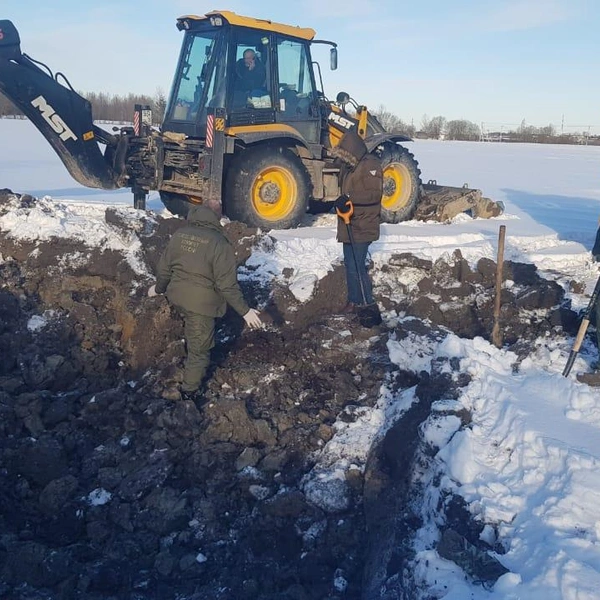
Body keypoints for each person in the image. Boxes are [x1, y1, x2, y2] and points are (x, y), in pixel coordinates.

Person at [148, 205, 263, 401]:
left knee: (193, 330)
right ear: (217, 218)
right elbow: (227, 285)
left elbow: (164, 268)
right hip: (200, 305)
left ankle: (186, 350)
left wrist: (158, 289)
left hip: (176, 296)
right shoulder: (220, 243)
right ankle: (188, 393)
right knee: (200, 351)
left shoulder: (180, 234)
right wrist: (245, 311)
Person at [333, 128, 384, 327]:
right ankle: (354, 301)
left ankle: (365, 302)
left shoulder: (371, 165)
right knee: (350, 264)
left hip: (364, 224)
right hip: (350, 223)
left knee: (357, 266)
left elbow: (374, 195)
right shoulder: (353, 165)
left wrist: (349, 199)